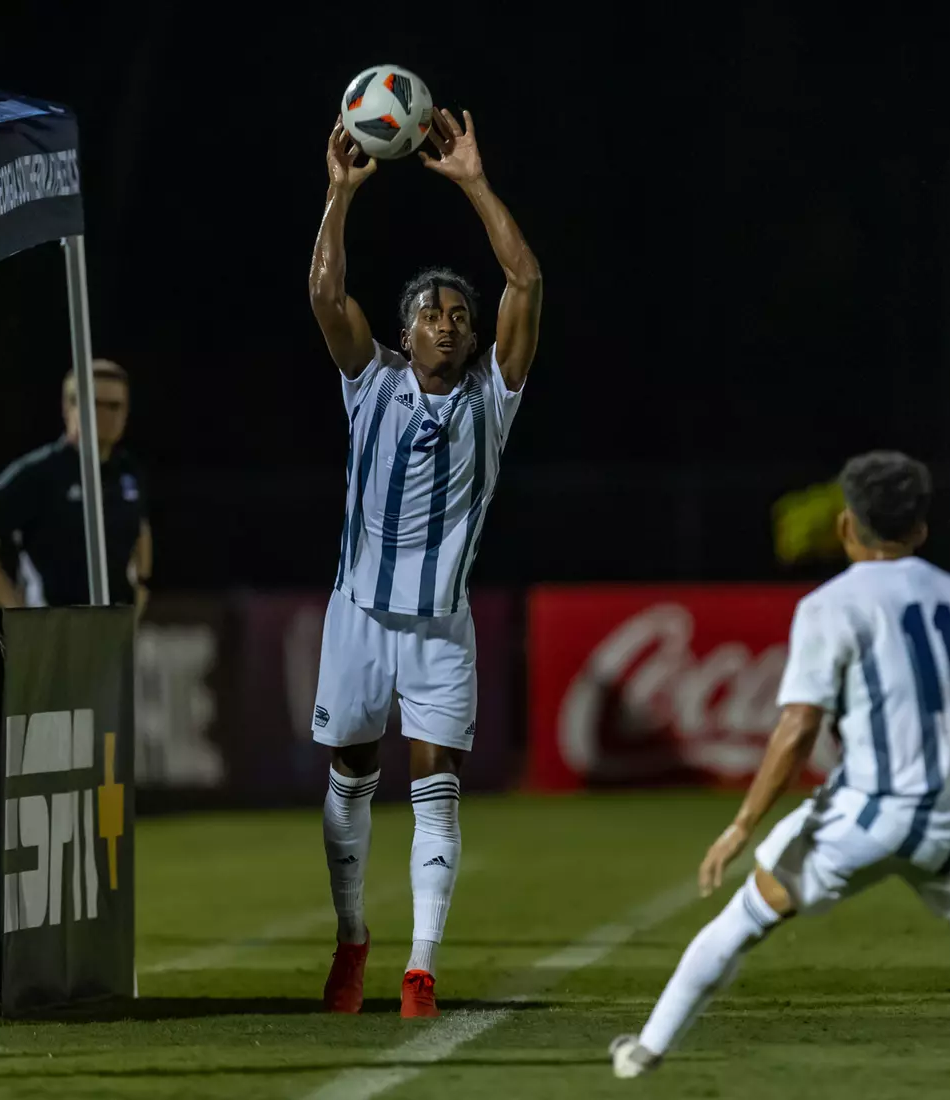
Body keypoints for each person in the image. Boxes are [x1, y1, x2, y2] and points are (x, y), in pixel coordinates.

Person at [610, 451, 950, 1080]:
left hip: (866, 818)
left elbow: (799, 725)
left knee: (744, 917)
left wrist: (742, 825)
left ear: (845, 525)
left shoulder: (829, 605)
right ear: (920, 529)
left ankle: (644, 1051)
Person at [308, 109, 543, 1019]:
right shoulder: (369, 385)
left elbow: (525, 276)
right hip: (358, 615)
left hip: (441, 625)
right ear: (404, 336)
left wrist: (475, 183)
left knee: (435, 781)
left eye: (458, 318)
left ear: (475, 341)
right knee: (350, 776)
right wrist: (338, 196)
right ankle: (351, 936)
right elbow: (327, 298)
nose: (445, 325)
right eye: (429, 315)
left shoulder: (494, 401)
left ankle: (419, 967)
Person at [0, 360, 152, 613]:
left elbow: (140, 527)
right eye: (95, 404)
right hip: (52, 632)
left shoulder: (127, 470)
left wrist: (141, 583)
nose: (106, 414)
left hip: (112, 631)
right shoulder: (43, 471)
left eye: (115, 406)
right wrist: (14, 606)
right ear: (69, 407)